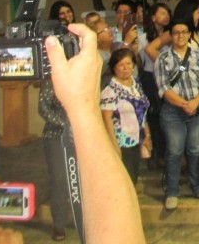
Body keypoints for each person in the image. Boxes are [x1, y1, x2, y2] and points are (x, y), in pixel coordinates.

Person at [45, 22, 147, 244]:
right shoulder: (105, 88)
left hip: (120, 138)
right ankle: (59, 224)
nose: (126, 68)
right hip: (60, 137)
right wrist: (79, 113)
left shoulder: (134, 84)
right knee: (62, 182)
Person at [154, 17, 199, 211]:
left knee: (195, 149)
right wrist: (184, 104)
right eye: (176, 32)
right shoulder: (163, 57)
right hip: (172, 112)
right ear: (171, 35)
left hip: (197, 110)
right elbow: (163, 88)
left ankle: (198, 186)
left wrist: (196, 102)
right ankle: (172, 191)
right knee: (174, 151)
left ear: (190, 34)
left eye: (184, 32)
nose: (180, 36)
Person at [43, 0, 76, 239]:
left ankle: (80, 219)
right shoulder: (52, 74)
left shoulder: (80, 71)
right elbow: (43, 107)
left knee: (79, 180)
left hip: (80, 136)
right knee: (59, 179)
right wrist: (66, 124)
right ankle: (59, 224)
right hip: (55, 136)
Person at [100, 47, 151, 185]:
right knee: (125, 181)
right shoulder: (110, 90)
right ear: (114, 68)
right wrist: (115, 146)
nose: (126, 68)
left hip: (137, 140)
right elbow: (106, 119)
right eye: (121, 65)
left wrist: (147, 135)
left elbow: (142, 110)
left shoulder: (136, 83)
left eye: (128, 64)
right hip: (122, 142)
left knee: (134, 177)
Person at [141, 3, 171, 166]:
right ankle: (155, 155)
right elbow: (141, 59)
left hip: (167, 78)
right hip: (150, 77)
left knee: (166, 116)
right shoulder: (143, 36)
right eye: (162, 13)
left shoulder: (170, 35)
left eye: (168, 13)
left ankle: (165, 154)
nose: (166, 16)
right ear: (153, 17)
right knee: (153, 117)